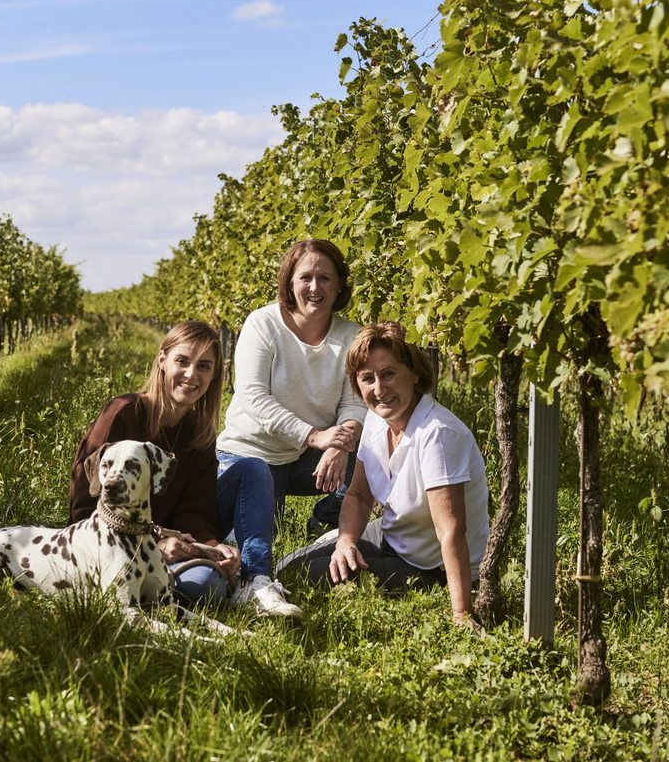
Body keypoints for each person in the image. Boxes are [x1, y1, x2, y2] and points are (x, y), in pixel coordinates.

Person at [279, 321, 489, 630]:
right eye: (367, 378)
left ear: (415, 374)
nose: (379, 389)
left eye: (389, 374)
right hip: (391, 535)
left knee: (311, 576)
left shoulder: (437, 434)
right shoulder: (378, 420)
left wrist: (461, 614)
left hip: (430, 566)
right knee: (287, 568)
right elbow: (359, 496)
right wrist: (346, 543)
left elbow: (451, 531)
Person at [216, 238, 367, 619]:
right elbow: (253, 396)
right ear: (290, 282)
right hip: (250, 458)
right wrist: (316, 436)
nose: (315, 288)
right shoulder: (263, 323)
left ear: (339, 285)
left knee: (368, 457)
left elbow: (354, 402)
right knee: (252, 540)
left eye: (325, 278)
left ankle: (327, 528)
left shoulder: (351, 335)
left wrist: (341, 444)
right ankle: (256, 581)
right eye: (306, 278)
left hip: (304, 458)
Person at [69, 321, 240, 605]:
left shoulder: (200, 434)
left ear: (213, 375)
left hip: (172, 550)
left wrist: (212, 548)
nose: (191, 374)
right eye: (182, 361)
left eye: (204, 366)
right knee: (201, 588)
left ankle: (253, 578)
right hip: (108, 548)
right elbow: (85, 508)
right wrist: (156, 546)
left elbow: (195, 512)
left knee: (209, 585)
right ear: (162, 360)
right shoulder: (123, 415)